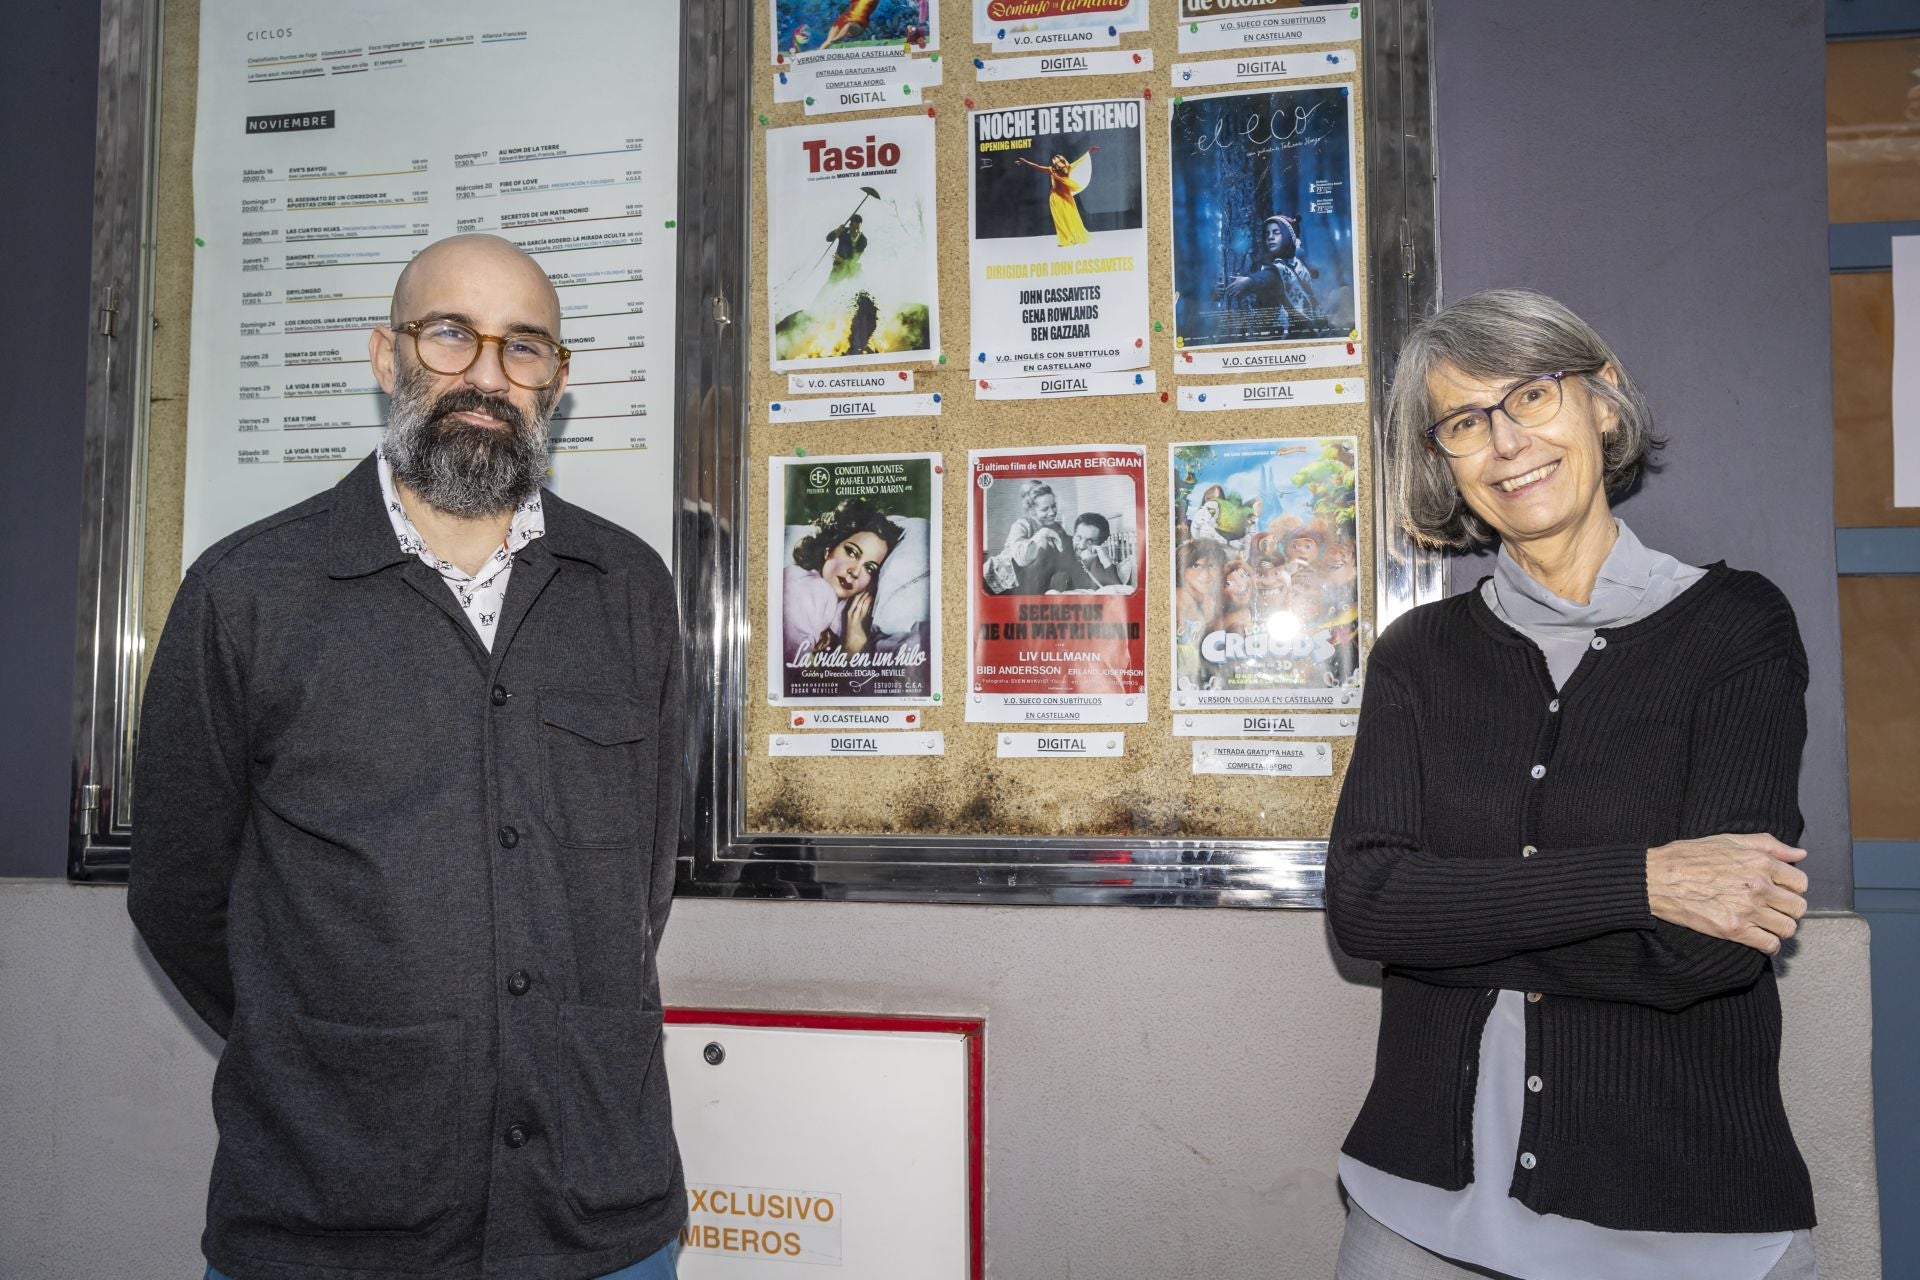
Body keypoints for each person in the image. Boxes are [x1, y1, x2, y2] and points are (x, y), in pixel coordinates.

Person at [129, 234, 689, 1280]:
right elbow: (179, 894)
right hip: (327, 1222)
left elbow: (637, 885)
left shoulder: (627, 588)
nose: (486, 374)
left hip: (597, 1218)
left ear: (554, 383)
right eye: (451, 335)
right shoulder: (248, 591)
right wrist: (333, 1044)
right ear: (387, 356)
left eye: (524, 348)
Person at [1326, 289, 1817, 1279]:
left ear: (1602, 402)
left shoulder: (1736, 626)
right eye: (1465, 420)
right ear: (1443, 461)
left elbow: (1712, 953)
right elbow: (1368, 906)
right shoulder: (1417, 654)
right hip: (1417, 1217)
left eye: (1532, 395)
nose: (1506, 442)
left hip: (1680, 1222)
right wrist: (1640, 882)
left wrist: (1456, 921)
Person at [783, 496, 904, 665]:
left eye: (869, 568)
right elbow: (795, 671)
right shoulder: (812, 588)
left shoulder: (842, 607)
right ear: (829, 548)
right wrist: (851, 652)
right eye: (852, 552)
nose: (854, 572)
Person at [1218, 214, 1320, 338]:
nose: (1270, 237)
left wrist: (1248, 281)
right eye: (1267, 234)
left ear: (1287, 235)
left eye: (1276, 233)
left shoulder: (1284, 267)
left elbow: (1268, 277)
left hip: (1301, 333)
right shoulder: (1290, 262)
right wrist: (1220, 290)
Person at [1013, 147, 1098, 247]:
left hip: (1066, 196)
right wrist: (1025, 161)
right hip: (1056, 196)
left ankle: (1073, 237)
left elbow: (1079, 161)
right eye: (1056, 161)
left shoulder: (1067, 168)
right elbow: (1037, 166)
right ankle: (1066, 239)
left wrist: (1087, 152)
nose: (1057, 163)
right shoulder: (1051, 169)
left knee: (1070, 216)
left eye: (1058, 161)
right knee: (1060, 218)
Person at [1001, 479, 1073, 594]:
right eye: (1045, 509)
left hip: (1033, 580)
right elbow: (1021, 559)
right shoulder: (1021, 525)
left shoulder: (1056, 527)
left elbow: (1067, 547)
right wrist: (1043, 534)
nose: (1052, 512)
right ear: (1032, 511)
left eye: (1053, 506)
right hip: (1005, 582)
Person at [1067, 511, 1125, 590]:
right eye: (1079, 537)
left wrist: (1107, 563)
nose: (1081, 546)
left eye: (1090, 541)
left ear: (1101, 544)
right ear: (1073, 536)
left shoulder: (1102, 567)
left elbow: (1120, 593)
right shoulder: (1062, 560)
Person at [825, 212, 867, 282]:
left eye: (857, 224)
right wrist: (837, 231)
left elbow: (856, 257)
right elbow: (829, 238)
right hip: (838, 266)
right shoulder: (843, 231)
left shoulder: (862, 240)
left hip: (850, 267)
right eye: (853, 223)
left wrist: (843, 260)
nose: (854, 226)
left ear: (859, 225)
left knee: (858, 284)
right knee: (829, 287)